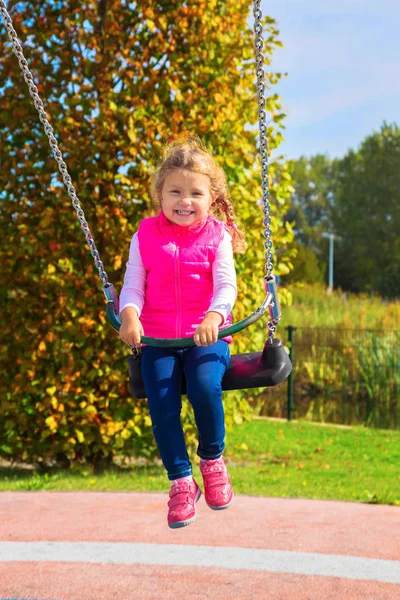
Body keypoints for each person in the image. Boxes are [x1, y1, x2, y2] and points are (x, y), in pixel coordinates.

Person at [119, 135, 247, 529]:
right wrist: (129, 314)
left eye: (195, 193)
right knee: (161, 404)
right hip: (157, 339)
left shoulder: (216, 236)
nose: (185, 200)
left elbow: (226, 285)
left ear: (212, 198)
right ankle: (180, 481)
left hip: (206, 336)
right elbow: (134, 283)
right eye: (175, 191)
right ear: (160, 194)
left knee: (206, 387)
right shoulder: (144, 235)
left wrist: (214, 316)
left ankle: (212, 460)